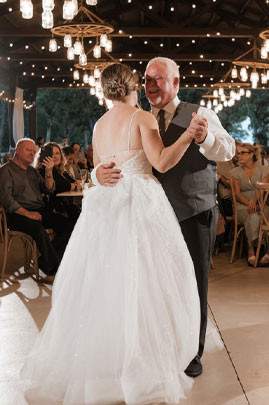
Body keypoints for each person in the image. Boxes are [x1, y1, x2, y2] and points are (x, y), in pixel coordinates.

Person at [22, 63, 211, 404]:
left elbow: (103, 168)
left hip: (106, 208)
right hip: (140, 205)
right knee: (149, 284)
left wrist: (95, 173)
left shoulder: (99, 124)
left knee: (108, 284)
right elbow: (163, 162)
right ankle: (142, 362)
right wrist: (187, 135)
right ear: (131, 85)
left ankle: (111, 361)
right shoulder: (142, 118)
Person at [91, 57, 235, 378]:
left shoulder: (200, 113)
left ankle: (192, 352)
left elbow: (228, 150)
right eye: (146, 80)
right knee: (156, 286)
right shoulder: (140, 117)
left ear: (176, 82)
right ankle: (164, 344)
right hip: (149, 219)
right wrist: (96, 174)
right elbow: (114, 161)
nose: (150, 85)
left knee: (193, 283)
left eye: (157, 79)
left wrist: (203, 138)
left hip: (192, 211)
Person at [0, 139, 71, 281]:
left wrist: (49, 171)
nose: (32, 153)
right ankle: (53, 271)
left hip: (38, 210)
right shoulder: (5, 170)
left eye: (34, 151)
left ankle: (45, 261)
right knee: (38, 228)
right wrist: (28, 214)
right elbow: (7, 201)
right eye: (28, 150)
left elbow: (49, 189)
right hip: (17, 214)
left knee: (69, 224)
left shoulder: (32, 171)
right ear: (17, 151)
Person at [231, 142, 269, 266]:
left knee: (264, 214)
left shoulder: (264, 169)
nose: (239, 156)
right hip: (242, 206)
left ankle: (266, 251)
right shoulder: (234, 172)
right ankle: (251, 249)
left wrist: (255, 201)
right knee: (253, 216)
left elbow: (263, 189)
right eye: (238, 153)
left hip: (261, 202)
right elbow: (236, 194)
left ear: (252, 154)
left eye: (243, 153)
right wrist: (249, 203)